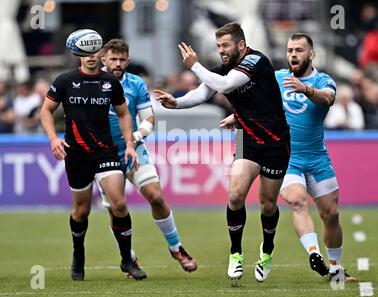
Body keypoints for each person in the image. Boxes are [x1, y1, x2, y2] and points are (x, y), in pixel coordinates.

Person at [155, 22, 290, 283]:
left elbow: (226, 85)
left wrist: (194, 65)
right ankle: (236, 253)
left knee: (268, 203)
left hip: (275, 142)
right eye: (218, 46)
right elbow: (203, 92)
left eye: (225, 45)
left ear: (240, 44)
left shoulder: (255, 61)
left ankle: (267, 250)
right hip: (245, 138)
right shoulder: (224, 69)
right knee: (236, 194)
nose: (221, 51)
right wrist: (177, 103)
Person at [40, 47, 147, 281]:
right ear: (79, 56)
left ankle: (127, 260)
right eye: (85, 52)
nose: (90, 56)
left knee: (119, 205)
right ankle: (78, 255)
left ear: (100, 56)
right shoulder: (65, 80)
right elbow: (46, 111)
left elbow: (124, 114)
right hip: (77, 154)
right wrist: (53, 138)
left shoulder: (110, 82)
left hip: (105, 152)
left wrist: (129, 144)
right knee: (81, 211)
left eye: (94, 52)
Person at [98, 39, 197, 277]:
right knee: (116, 208)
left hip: (133, 149)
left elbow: (149, 118)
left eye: (122, 59)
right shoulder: (92, 83)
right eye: (113, 59)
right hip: (103, 154)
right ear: (104, 59)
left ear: (128, 61)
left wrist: (135, 136)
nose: (118, 64)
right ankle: (129, 258)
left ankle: (176, 248)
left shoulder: (135, 83)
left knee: (156, 196)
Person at [274, 33, 356, 282]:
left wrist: (306, 89)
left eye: (299, 50)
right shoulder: (277, 78)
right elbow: (258, 105)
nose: (293, 55)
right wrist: (238, 118)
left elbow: (327, 99)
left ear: (311, 55)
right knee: (297, 201)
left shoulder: (324, 80)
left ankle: (336, 268)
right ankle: (314, 255)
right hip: (287, 158)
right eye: (290, 50)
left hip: (317, 159)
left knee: (330, 214)